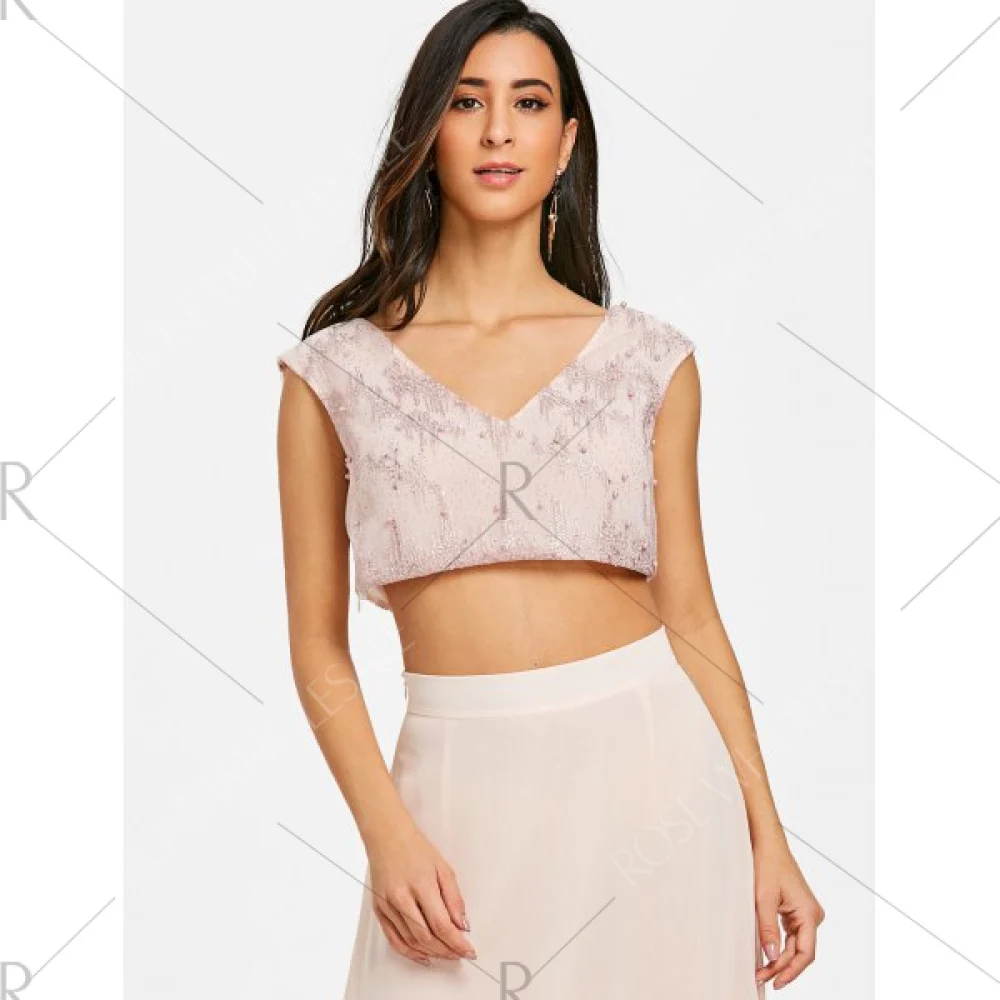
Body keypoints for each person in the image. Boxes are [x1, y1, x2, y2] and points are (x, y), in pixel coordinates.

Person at [275, 1, 824, 996]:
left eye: (528, 103)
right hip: (454, 795)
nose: (498, 130)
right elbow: (318, 648)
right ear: (426, 131)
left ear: (566, 142)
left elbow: (692, 615)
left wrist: (768, 832)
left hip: (655, 783)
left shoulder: (649, 361)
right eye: (466, 102)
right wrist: (386, 832)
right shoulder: (334, 371)